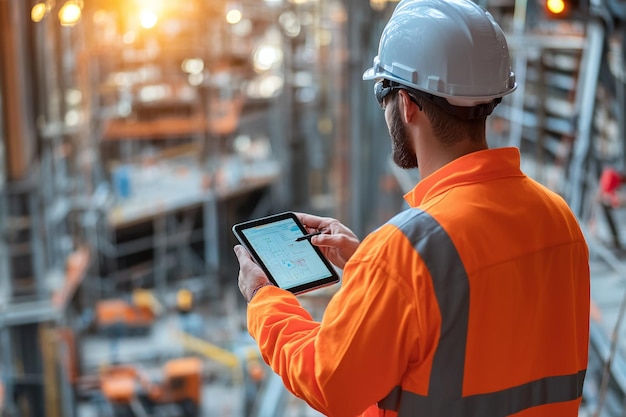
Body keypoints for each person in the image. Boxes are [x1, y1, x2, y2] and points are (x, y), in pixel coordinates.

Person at [233, 0, 590, 416]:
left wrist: (262, 297)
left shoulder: (405, 255)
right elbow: (475, 328)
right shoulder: (560, 219)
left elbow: (329, 383)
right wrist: (369, 267)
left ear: (406, 104)